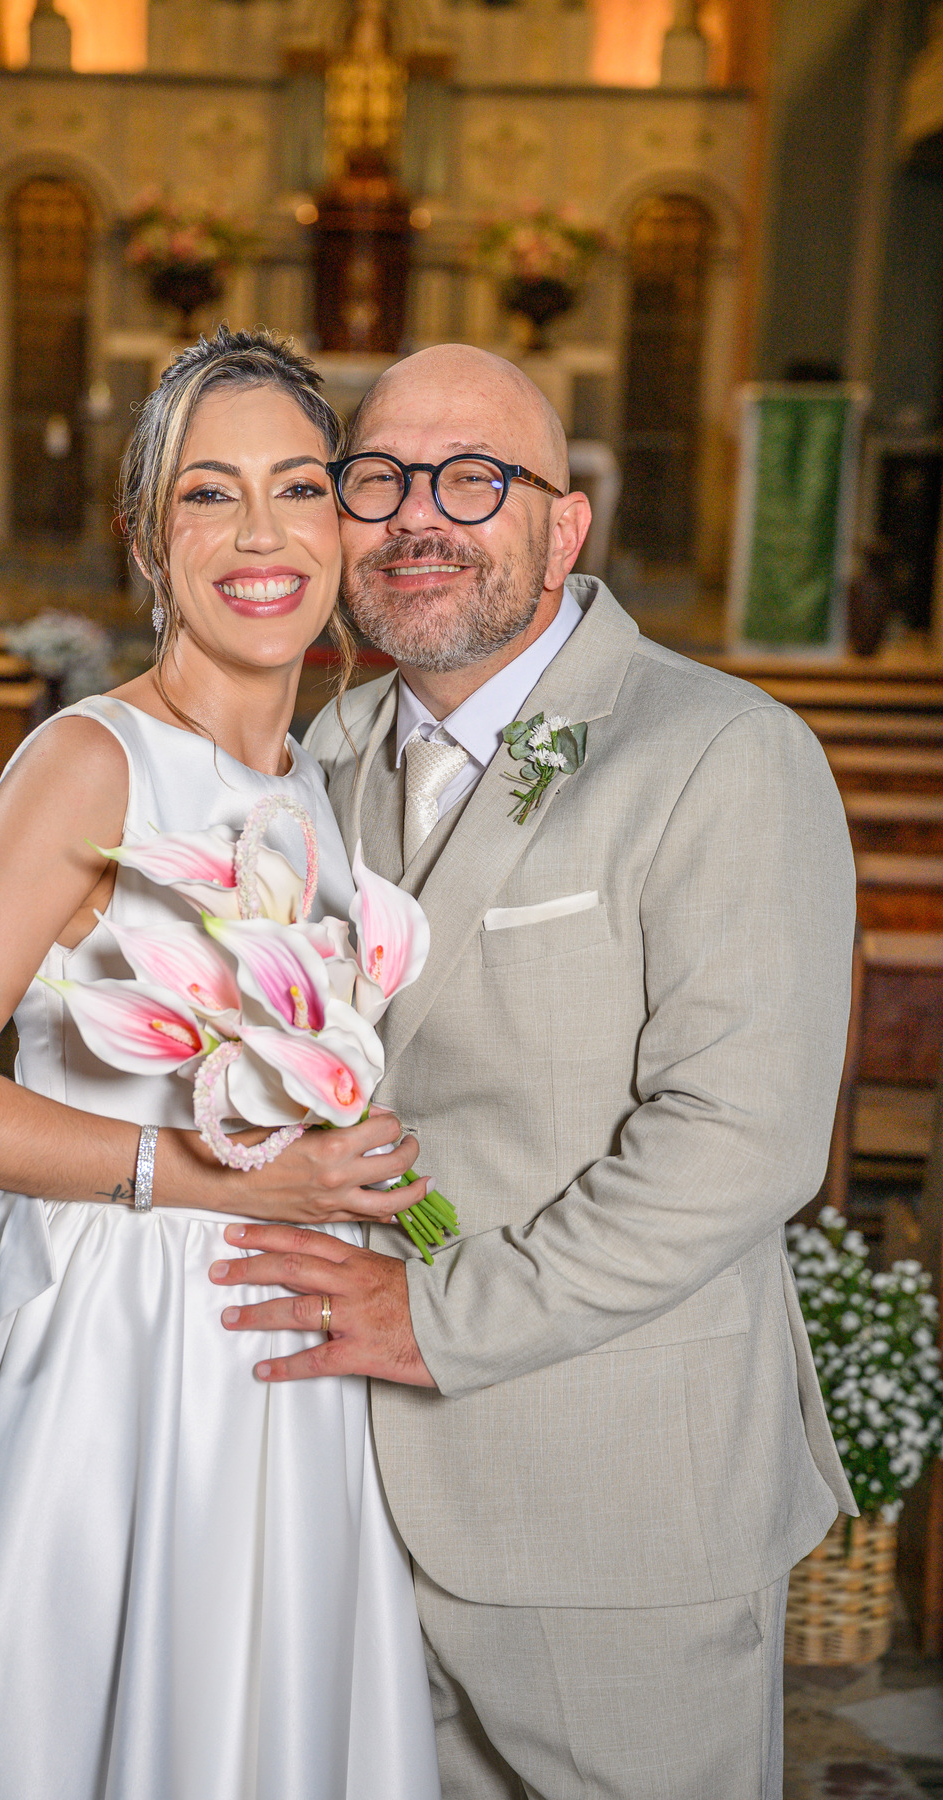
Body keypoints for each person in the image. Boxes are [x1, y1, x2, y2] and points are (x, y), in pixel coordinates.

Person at [207, 343, 858, 1800]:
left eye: (473, 479)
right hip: (340, 1493)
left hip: (609, 1506)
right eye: (378, 479)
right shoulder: (329, 748)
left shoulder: (723, 753)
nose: (416, 516)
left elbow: (742, 1143)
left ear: (566, 528)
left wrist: (435, 1317)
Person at [0, 327, 441, 1800]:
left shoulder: (318, 782)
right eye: (208, 494)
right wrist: (213, 1175)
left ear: (344, 526)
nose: (262, 534)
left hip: (285, 1343)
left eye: (298, 487)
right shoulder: (92, 763)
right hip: (126, 1344)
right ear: (145, 542)